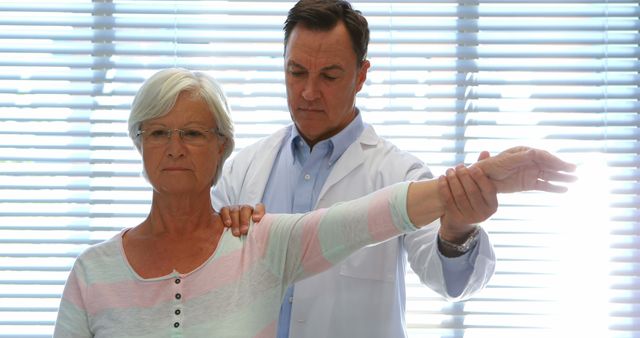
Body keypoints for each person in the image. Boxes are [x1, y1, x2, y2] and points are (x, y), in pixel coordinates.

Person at [53, 67, 575, 338]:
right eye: (158, 132)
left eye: (191, 132)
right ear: (137, 143)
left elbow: (378, 215)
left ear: (220, 147)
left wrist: (471, 185)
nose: (173, 147)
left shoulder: (265, 241)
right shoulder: (92, 272)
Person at [211, 1, 576, 337]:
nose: (308, 92)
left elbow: (446, 280)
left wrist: (458, 230)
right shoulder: (242, 170)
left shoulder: (402, 174)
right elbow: (195, 274)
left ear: (361, 75)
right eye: (297, 72)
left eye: (330, 76)